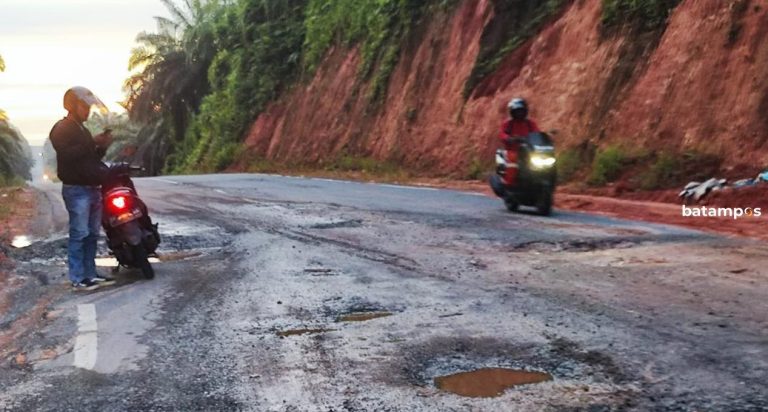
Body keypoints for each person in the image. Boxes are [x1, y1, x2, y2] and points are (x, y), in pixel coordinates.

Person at [49, 87, 116, 291]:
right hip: (76, 189)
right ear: (72, 105)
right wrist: (90, 142)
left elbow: (91, 158)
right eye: (84, 106)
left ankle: (89, 273)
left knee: (92, 234)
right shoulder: (61, 128)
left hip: (92, 187)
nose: (87, 111)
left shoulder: (82, 130)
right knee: (79, 233)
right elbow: (67, 154)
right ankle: (77, 278)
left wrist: (101, 146)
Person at [498, 98, 541, 186]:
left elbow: (537, 133)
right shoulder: (508, 124)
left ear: (525, 111)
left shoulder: (530, 123)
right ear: (512, 112)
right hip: (513, 150)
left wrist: (544, 137)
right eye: (517, 111)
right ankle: (509, 185)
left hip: (529, 150)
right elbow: (502, 134)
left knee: (543, 163)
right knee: (512, 164)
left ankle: (541, 181)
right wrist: (509, 138)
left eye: (521, 111)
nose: (519, 113)